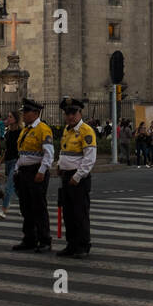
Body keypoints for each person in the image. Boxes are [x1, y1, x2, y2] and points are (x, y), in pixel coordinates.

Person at [11, 99, 54, 253]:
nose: (24, 115)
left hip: (36, 172)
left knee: (39, 207)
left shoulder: (43, 129)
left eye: (26, 112)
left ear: (35, 113)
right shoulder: (26, 130)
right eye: (23, 112)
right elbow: (22, 153)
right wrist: (16, 169)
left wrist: (42, 171)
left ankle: (45, 240)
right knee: (26, 208)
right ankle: (29, 238)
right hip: (23, 172)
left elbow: (49, 154)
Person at [56, 97, 97, 258]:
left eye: (73, 113)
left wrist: (78, 176)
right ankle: (71, 244)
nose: (70, 116)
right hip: (66, 177)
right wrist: (60, 165)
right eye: (67, 113)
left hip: (78, 179)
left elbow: (90, 158)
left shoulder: (86, 131)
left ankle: (83, 245)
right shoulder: (67, 130)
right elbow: (63, 150)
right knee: (68, 213)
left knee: (80, 213)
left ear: (80, 112)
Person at [0, 111, 19, 219]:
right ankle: (24, 204)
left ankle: (4, 209)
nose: (8, 118)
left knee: (9, 187)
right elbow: (7, 149)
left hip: (16, 161)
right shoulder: (8, 133)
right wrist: (1, 160)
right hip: (8, 161)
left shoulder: (20, 132)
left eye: (10, 117)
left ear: (16, 119)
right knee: (15, 187)